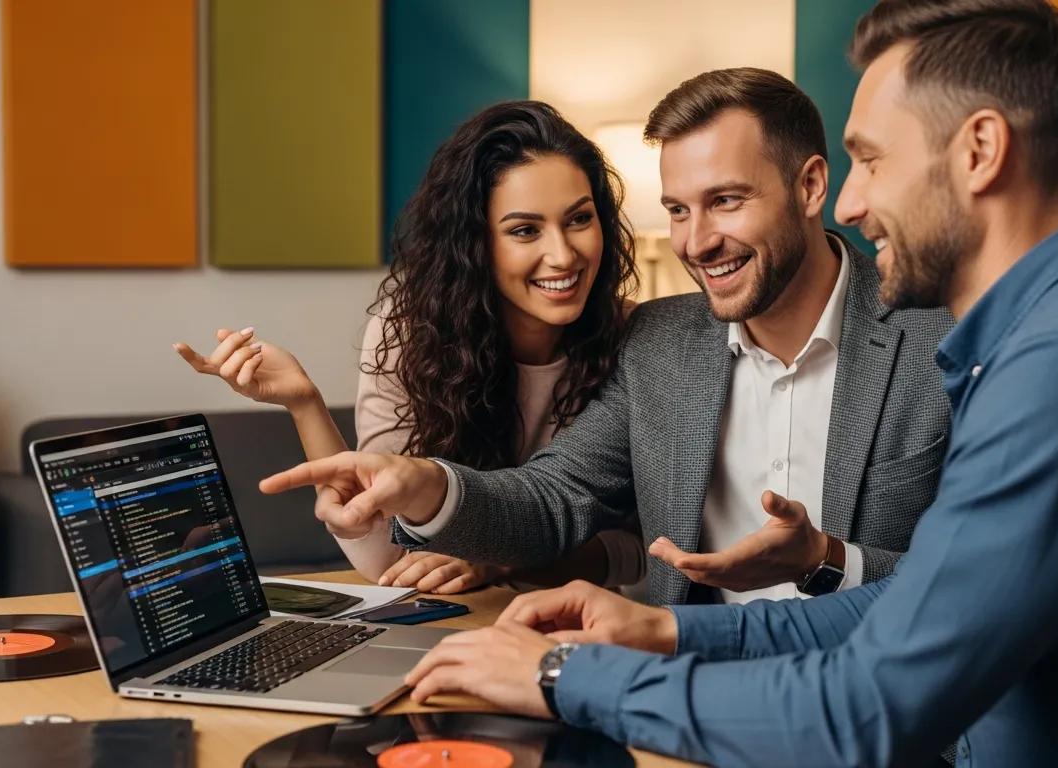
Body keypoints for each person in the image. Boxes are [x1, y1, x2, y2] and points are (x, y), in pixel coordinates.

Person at [263, 1, 1058, 766]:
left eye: (868, 158)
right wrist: (665, 627)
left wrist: (559, 677)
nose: (854, 194)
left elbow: (872, 705)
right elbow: (904, 616)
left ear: (980, 151)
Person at [257, 67, 954, 609]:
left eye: (726, 201)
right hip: (688, 691)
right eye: (677, 210)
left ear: (809, 186)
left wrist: (825, 559)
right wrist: (426, 484)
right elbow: (553, 497)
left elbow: (984, 576)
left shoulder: (941, 337)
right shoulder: (660, 343)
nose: (696, 241)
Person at [175, 101, 646, 594]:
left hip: (588, 631)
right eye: (525, 230)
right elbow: (388, 562)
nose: (563, 254)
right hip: (463, 625)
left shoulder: (639, 342)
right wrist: (303, 403)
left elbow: (641, 553)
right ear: (474, 243)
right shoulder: (412, 338)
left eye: (579, 219)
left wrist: (498, 562)